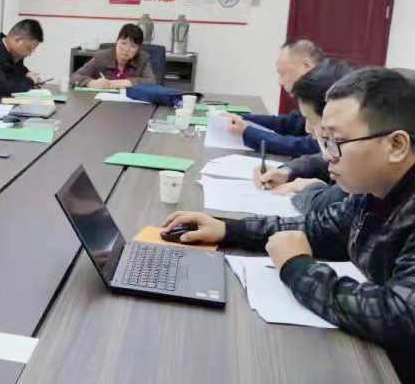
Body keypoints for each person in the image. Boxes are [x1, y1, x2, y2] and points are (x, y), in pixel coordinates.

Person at [163, 67, 415, 381]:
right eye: (324, 140)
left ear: (396, 146)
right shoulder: (375, 190)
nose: (327, 157)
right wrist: (228, 229)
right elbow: (323, 229)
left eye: (336, 142)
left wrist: (297, 267)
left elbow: (397, 316)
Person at [254, 62, 354, 214]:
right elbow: (320, 160)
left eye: (311, 120)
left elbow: (329, 205)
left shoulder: (359, 159)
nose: (307, 128)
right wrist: (287, 172)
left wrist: (309, 188)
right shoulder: (343, 146)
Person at [226, 38, 324, 156]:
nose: (280, 82)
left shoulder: (330, 95)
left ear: (307, 65)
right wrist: (242, 118)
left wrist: (246, 132)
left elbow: (306, 146)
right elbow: (290, 123)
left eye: (283, 73)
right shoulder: (313, 94)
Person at [70, 23, 156, 89]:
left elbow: (152, 82)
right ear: (117, 41)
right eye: (123, 43)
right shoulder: (101, 57)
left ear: (138, 49)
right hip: (102, 103)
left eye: (133, 46)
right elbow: (74, 76)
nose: (126, 49)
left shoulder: (142, 59)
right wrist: (91, 83)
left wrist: (128, 82)